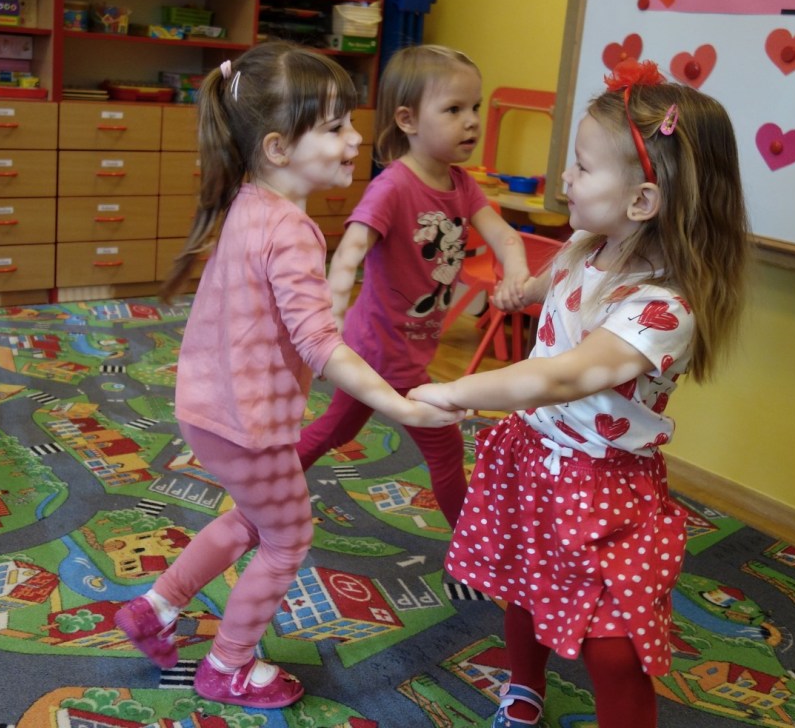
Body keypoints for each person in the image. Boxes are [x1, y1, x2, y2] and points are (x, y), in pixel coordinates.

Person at [114, 42, 464, 709]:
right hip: (249, 423)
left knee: (255, 520)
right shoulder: (293, 231)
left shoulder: (251, 202)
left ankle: (155, 608)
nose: (354, 139)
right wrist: (401, 405)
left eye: (349, 123)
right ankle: (228, 664)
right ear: (277, 148)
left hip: (211, 408)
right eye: (334, 127)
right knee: (289, 538)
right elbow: (320, 343)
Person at [410, 59, 750, 728]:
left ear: (642, 201)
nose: (565, 177)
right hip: (532, 459)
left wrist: (456, 391)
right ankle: (524, 689)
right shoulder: (589, 245)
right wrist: (522, 289)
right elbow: (553, 283)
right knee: (523, 586)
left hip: (602, 484)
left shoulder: (662, 310)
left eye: (583, 167)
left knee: (615, 648)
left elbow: (565, 375)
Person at [296, 45, 529, 527]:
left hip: (404, 348)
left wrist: (516, 273)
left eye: (475, 107)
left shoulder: (462, 185)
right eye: (453, 109)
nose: (471, 121)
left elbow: (505, 236)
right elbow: (350, 250)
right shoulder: (394, 187)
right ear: (408, 119)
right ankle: (471, 545)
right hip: (380, 352)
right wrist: (327, 324)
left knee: (335, 431)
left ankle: (264, 482)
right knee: (441, 448)